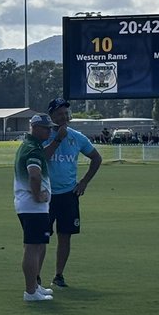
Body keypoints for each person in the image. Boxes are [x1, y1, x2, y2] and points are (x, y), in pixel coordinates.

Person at [42, 98, 103, 289]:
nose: (64, 117)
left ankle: (58, 275)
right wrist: (58, 138)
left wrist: (84, 182)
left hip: (69, 195)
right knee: (41, 237)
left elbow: (96, 158)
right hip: (46, 195)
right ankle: (35, 276)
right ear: (51, 115)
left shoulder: (77, 137)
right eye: (59, 113)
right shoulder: (44, 136)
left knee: (65, 235)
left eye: (66, 113)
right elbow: (42, 158)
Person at [15, 114, 56, 301]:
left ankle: (35, 286)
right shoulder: (33, 150)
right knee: (32, 247)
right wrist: (38, 195)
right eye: (46, 128)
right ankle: (30, 291)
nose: (50, 131)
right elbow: (34, 175)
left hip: (31, 206)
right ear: (36, 128)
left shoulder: (31, 146)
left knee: (38, 245)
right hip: (33, 206)